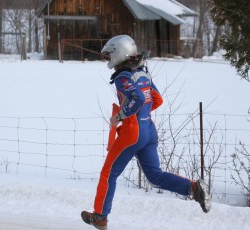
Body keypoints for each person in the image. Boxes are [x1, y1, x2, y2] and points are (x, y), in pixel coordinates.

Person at [81, 35, 211, 230]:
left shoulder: (123, 77)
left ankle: (100, 217)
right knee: (154, 176)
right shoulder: (142, 72)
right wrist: (140, 116)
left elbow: (138, 99)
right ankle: (193, 188)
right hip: (149, 131)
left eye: (109, 55)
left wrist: (122, 116)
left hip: (132, 134)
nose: (108, 59)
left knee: (108, 174)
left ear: (119, 53)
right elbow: (156, 100)